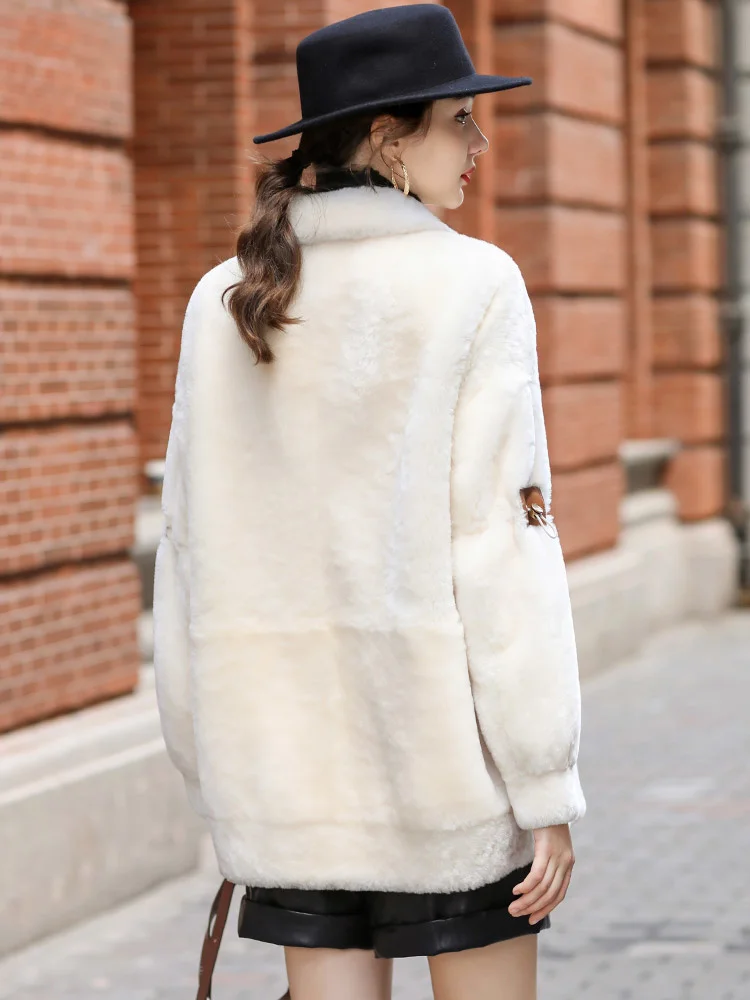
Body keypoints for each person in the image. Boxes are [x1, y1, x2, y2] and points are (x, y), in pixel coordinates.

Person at [152, 5, 586, 999]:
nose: (478, 143)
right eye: (458, 120)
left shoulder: (224, 297)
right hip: (448, 775)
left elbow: (185, 550)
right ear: (389, 140)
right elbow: (501, 550)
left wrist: (212, 764)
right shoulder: (474, 283)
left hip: (286, 778)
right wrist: (543, 779)